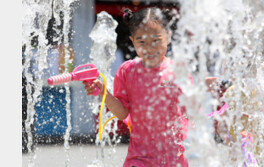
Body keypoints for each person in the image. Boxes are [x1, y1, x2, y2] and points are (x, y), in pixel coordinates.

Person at [83, 7, 217, 167]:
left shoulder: (178, 71)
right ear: (132, 41)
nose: (149, 47)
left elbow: (190, 114)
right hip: (138, 158)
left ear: (168, 37)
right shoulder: (127, 71)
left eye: (156, 40)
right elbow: (122, 114)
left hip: (172, 158)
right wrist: (104, 93)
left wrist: (200, 90)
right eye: (142, 41)